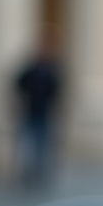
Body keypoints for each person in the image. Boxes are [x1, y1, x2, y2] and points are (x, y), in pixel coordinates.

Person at [14, 37, 61, 185]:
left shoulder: (51, 71)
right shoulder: (31, 70)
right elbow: (19, 84)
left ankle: (39, 171)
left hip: (44, 113)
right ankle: (29, 172)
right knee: (29, 144)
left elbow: (56, 91)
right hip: (31, 112)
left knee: (43, 145)